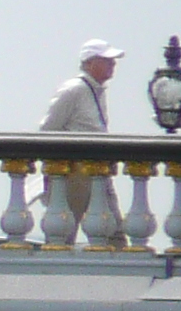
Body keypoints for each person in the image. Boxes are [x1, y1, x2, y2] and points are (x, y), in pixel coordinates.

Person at [37, 40, 125, 243]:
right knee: (65, 232)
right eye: (107, 61)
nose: (113, 65)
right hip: (75, 173)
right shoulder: (73, 90)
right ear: (90, 63)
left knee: (113, 229)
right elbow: (47, 129)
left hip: (97, 171)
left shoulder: (96, 92)